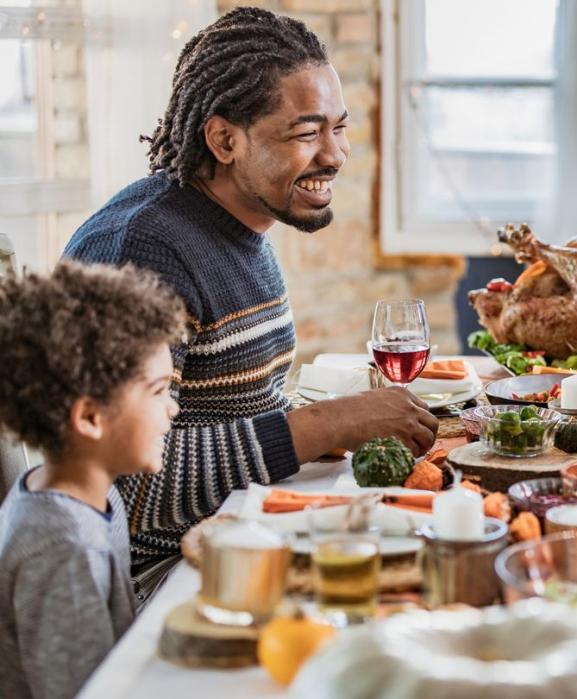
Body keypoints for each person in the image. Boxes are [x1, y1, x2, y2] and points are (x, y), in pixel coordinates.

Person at [63, 8, 438, 595]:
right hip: (161, 580)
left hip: (243, 531)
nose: (335, 155)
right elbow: (128, 486)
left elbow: (237, 410)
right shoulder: (141, 251)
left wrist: (347, 427)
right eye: (306, 132)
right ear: (224, 139)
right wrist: (329, 421)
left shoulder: (241, 221)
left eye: (339, 128)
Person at [0, 262, 185, 699]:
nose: (172, 408)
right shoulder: (64, 546)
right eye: (158, 391)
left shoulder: (89, 495)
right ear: (89, 418)